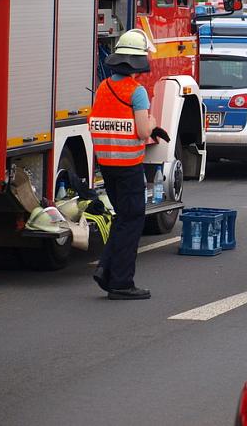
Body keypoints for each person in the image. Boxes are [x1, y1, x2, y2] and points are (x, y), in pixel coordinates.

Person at [89, 29, 158, 300]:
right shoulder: (137, 92)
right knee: (132, 221)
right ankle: (121, 283)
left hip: (107, 164)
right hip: (129, 165)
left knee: (123, 218)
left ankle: (106, 269)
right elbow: (143, 131)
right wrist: (152, 123)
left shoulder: (103, 87)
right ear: (138, 62)